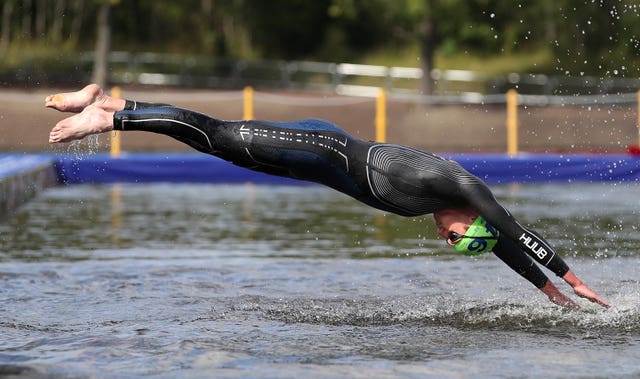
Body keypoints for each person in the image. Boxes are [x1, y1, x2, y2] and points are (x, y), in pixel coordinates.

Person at [46, 84, 610, 309]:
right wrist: (570, 276)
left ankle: (106, 98)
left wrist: (547, 294)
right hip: (324, 148)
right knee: (217, 134)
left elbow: (501, 247)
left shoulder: (447, 208)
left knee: (217, 145)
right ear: (470, 216)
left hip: (313, 162)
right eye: (459, 237)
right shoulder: (461, 187)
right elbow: (509, 231)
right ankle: (107, 117)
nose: (447, 237)